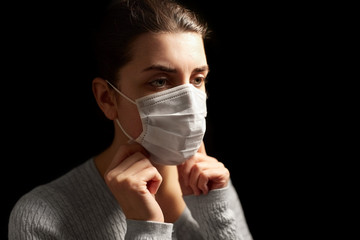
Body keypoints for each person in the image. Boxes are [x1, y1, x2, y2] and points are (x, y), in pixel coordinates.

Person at [9, 0, 252, 239]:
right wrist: (146, 228)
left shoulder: (210, 185)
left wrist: (215, 211)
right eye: (160, 81)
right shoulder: (41, 217)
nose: (189, 102)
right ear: (107, 98)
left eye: (197, 79)